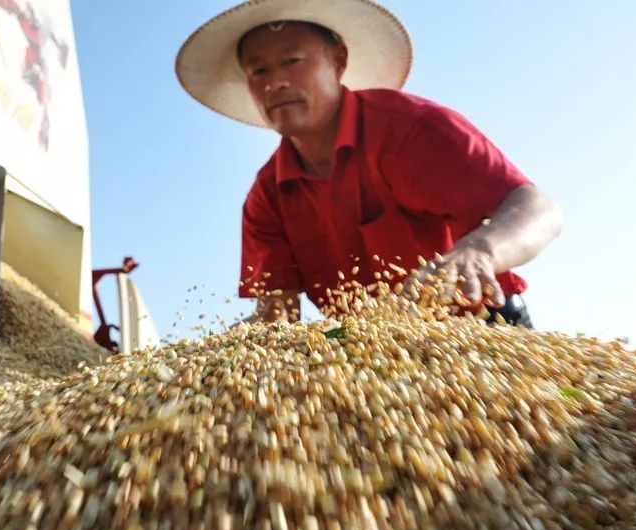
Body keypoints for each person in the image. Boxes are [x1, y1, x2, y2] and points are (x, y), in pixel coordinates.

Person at [175, 0, 562, 327]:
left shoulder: (411, 130)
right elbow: (277, 314)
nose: (274, 83)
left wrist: (480, 251)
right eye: (259, 71)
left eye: (291, 61)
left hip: (482, 330)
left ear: (338, 59)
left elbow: (538, 211)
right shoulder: (266, 199)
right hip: (370, 362)